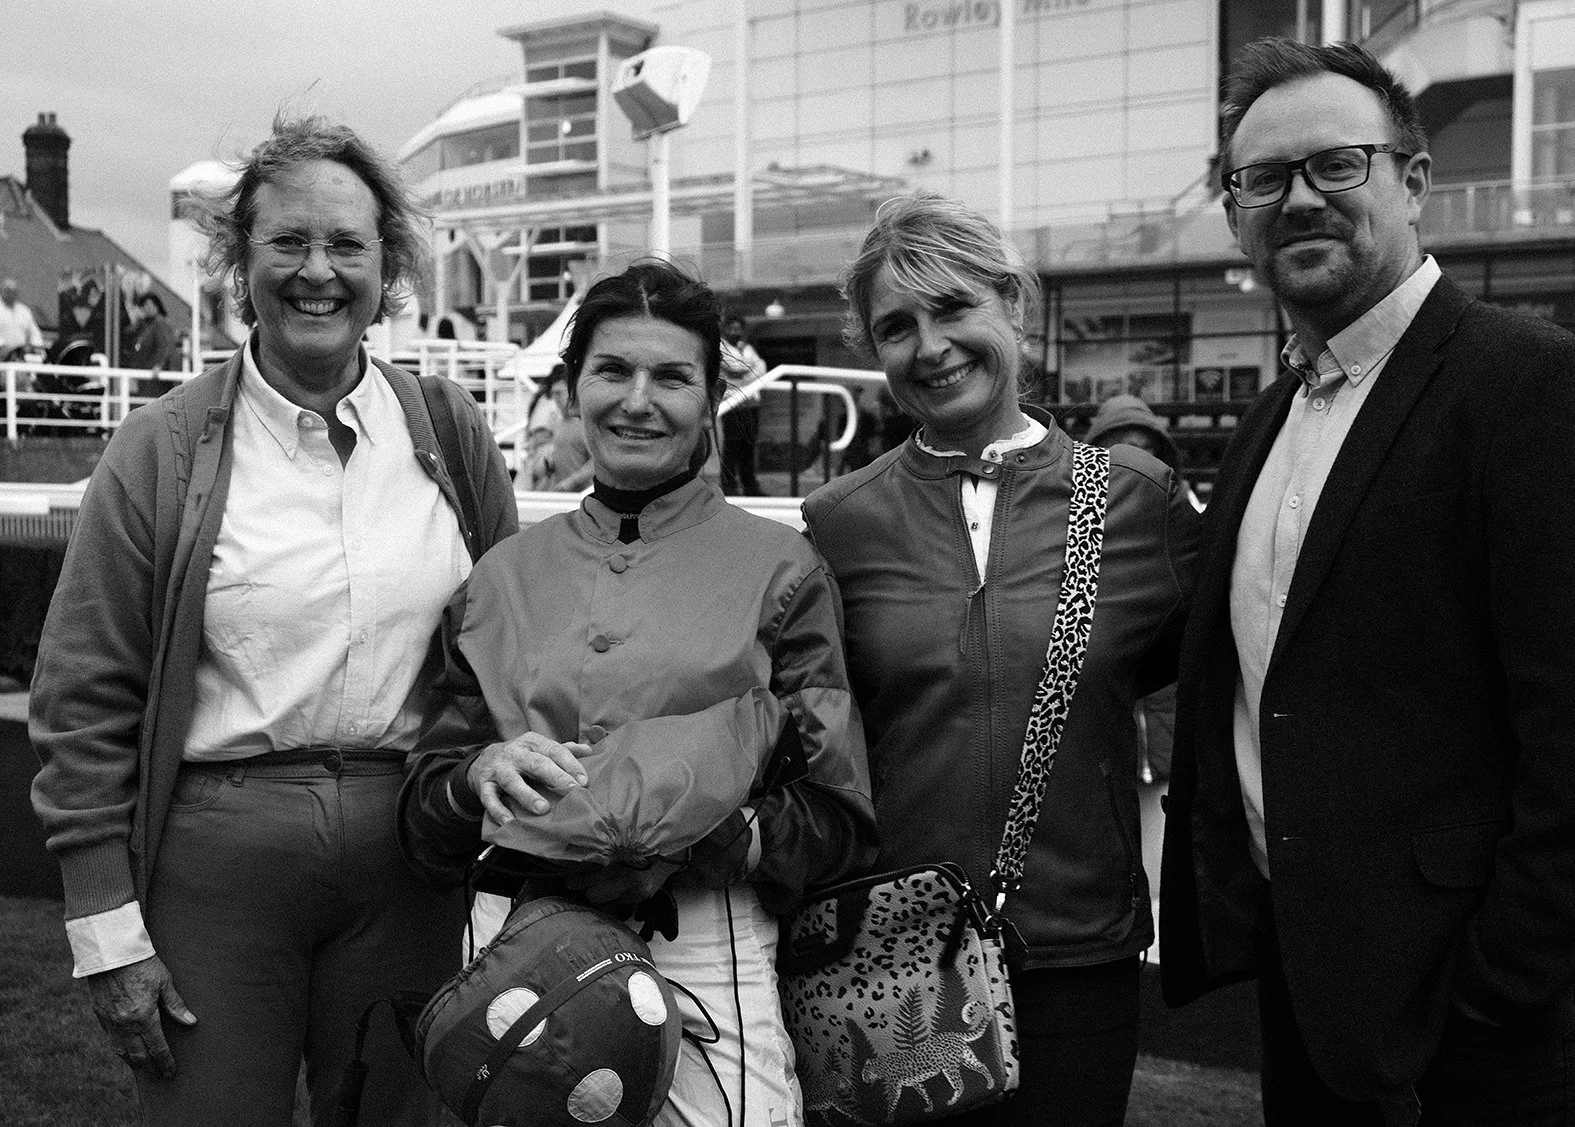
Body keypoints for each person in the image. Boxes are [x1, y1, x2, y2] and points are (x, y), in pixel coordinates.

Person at [28, 114, 519, 1127]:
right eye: (286, 240)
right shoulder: (158, 447)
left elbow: (512, 649)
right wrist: (106, 929)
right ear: (236, 260)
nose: (317, 271)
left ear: (388, 268)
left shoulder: (450, 430)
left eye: (347, 244)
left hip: (414, 863)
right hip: (216, 868)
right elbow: (83, 697)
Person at [1158, 39, 1575, 1125]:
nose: (1298, 199)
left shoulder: (1530, 386)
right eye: (1262, 179)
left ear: (1414, 180)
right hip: (1311, 993)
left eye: (1335, 165)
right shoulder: (1273, 419)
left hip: (1475, 1028)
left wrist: (1500, 984)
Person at [399, 259, 877, 1127]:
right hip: (517, 935)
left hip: (702, 935)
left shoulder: (782, 569)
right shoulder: (500, 578)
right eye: (613, 370)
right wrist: (477, 777)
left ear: (709, 395)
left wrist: (715, 828)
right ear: (575, 384)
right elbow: (425, 808)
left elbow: (837, 820)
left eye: (671, 377)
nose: (637, 401)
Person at [802, 191, 1201, 1126]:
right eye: (896, 326)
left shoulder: (1138, 502)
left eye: (952, 308)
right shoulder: (838, 520)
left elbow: (1208, 669)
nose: (929, 345)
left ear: (1011, 306)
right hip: (893, 954)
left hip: (1077, 950)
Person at [719, 315, 764, 495]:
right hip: (733, 404)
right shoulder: (720, 348)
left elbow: (761, 367)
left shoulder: (747, 348)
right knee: (732, 448)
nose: (735, 332)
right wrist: (746, 370)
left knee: (748, 447)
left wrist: (744, 373)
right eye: (732, 328)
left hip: (751, 405)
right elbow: (733, 369)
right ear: (725, 329)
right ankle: (729, 487)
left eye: (738, 329)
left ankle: (750, 487)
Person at [126, 293, 181, 397]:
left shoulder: (160, 323)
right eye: (143, 306)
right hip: (146, 376)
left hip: (156, 379)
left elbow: (165, 345)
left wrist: (159, 365)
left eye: (149, 305)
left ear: (157, 306)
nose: (146, 309)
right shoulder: (146, 326)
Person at [0, 277, 45, 359]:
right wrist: (2, 346)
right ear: (2, 290)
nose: (11, 293)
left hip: (19, 357)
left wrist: (36, 347)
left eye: (14, 291)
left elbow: (34, 333)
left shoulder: (24, 311)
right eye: (8, 290)